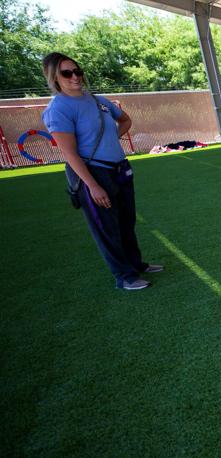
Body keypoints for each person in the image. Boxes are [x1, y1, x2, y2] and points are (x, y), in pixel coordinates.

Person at [41, 52, 162, 290]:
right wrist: (92, 185)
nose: (75, 77)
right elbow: (69, 153)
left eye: (77, 71)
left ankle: (136, 264)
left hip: (119, 168)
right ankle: (124, 276)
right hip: (94, 173)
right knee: (107, 228)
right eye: (67, 73)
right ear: (55, 77)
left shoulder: (97, 101)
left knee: (126, 221)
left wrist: (111, 140)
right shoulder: (58, 109)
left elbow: (125, 120)